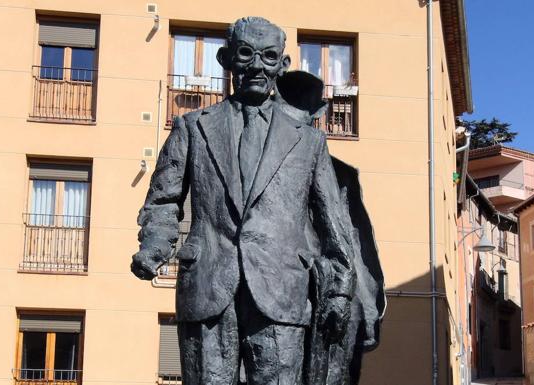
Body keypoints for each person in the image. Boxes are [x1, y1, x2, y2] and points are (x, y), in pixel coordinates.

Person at [131, 16, 367, 385]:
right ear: (226, 59)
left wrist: (338, 288)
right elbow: (163, 200)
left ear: (283, 66)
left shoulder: (308, 142)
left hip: (282, 290)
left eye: (269, 57)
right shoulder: (192, 128)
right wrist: (154, 247)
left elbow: (333, 226)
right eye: (246, 54)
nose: (257, 66)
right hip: (207, 285)